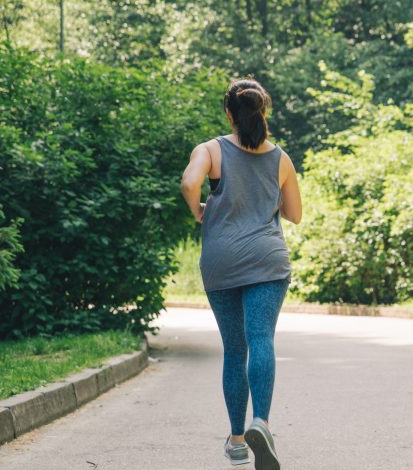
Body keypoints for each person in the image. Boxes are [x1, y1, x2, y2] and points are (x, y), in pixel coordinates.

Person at [180, 77, 302, 470]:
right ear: (261, 112)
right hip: (267, 260)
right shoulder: (280, 158)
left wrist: (200, 210)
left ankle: (236, 441)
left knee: (235, 349)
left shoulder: (210, 150)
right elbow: (294, 214)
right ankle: (261, 423)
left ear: (229, 113)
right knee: (262, 339)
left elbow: (188, 182)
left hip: (222, 259)